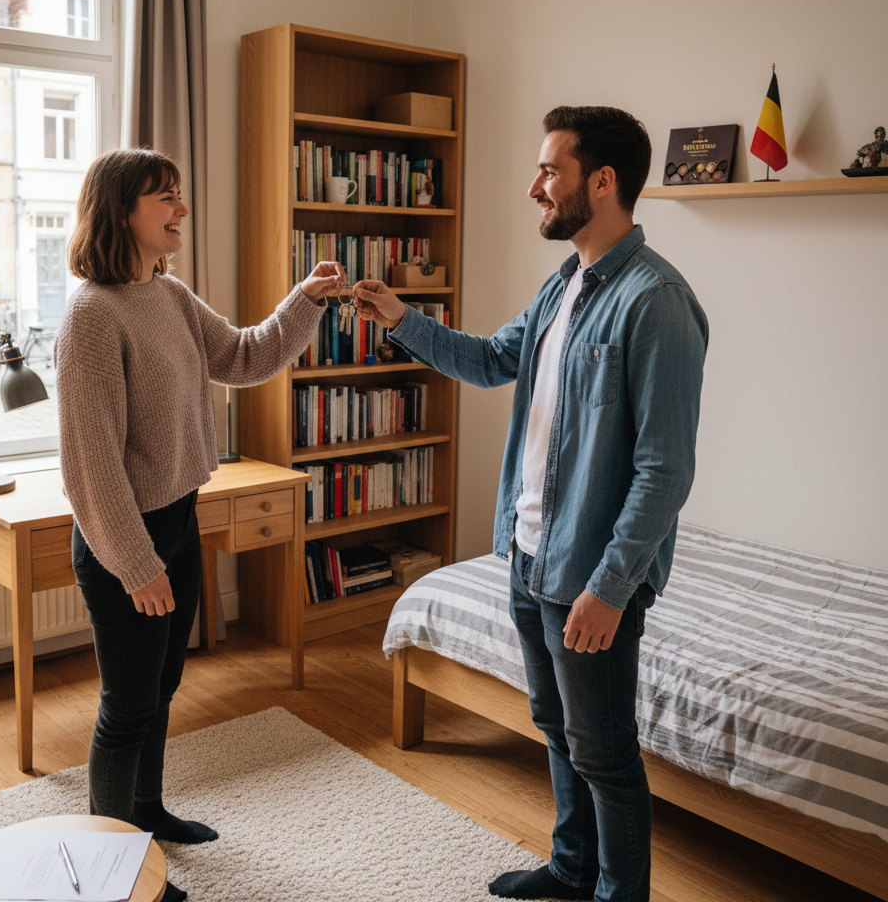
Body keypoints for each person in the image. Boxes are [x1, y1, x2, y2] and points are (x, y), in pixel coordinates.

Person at [353, 107, 708, 902]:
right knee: (556, 729)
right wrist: (401, 320)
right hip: (528, 555)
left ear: (602, 181)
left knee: (606, 754)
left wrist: (611, 588)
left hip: (588, 572)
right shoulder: (562, 289)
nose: (533, 187)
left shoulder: (657, 303)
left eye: (549, 171)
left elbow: (664, 471)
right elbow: (488, 362)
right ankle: (571, 869)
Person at [55, 147, 344, 902]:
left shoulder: (169, 295)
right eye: (165, 198)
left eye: (178, 195)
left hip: (178, 520)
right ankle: (110, 872)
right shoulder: (91, 316)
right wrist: (136, 563)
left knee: (165, 684)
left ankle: (145, 813)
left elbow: (245, 357)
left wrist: (306, 299)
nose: (181, 209)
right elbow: (92, 467)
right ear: (122, 211)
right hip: (129, 540)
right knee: (126, 706)